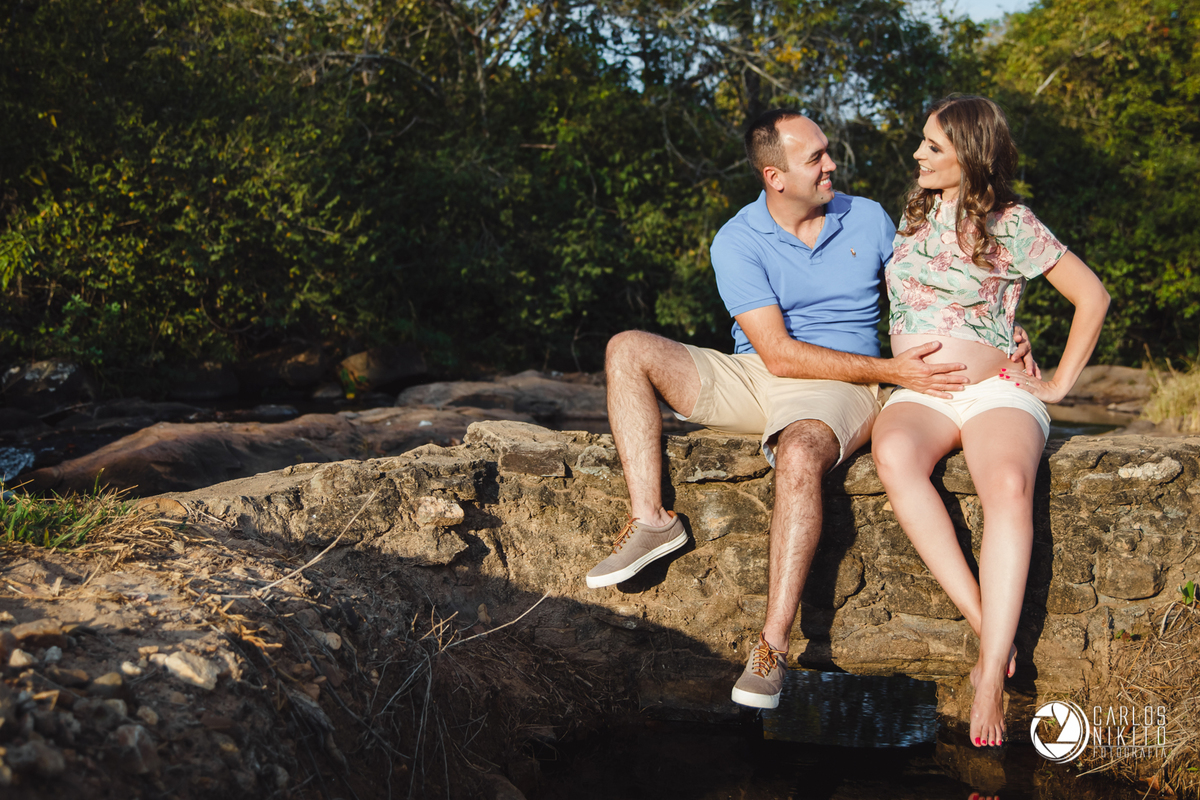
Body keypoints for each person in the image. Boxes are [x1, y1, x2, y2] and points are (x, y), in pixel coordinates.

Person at [585, 108, 1033, 710]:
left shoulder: (867, 217)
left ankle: (772, 647)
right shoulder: (738, 239)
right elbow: (775, 353)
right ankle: (653, 520)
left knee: (798, 453)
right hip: (762, 370)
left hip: (842, 384)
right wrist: (893, 371)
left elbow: (946, 279)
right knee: (627, 349)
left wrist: (1001, 333)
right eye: (815, 158)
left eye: (827, 151)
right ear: (775, 177)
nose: (832, 165)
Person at [871, 95, 1109, 747]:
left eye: (933, 146)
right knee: (893, 455)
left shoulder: (1012, 221)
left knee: (1006, 484)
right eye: (922, 142)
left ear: (970, 156)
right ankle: (986, 622)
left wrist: (1058, 382)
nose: (918, 154)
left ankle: (989, 679)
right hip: (923, 394)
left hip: (997, 387)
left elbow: (1092, 296)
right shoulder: (911, 215)